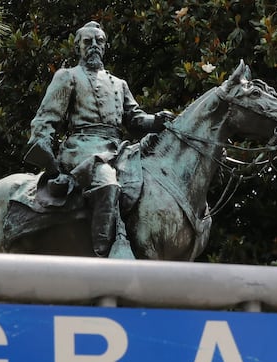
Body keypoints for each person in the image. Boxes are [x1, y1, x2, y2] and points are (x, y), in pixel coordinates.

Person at [25, 21, 174, 257]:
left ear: (105, 46)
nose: (94, 45)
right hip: (82, 148)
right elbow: (46, 117)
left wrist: (156, 121)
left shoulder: (119, 84)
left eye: (99, 41)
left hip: (118, 149)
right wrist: (44, 149)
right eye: (88, 41)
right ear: (78, 48)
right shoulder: (68, 76)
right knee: (108, 184)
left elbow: (135, 120)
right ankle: (102, 256)